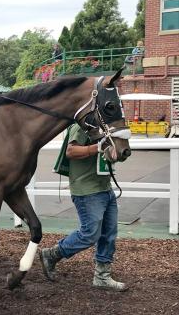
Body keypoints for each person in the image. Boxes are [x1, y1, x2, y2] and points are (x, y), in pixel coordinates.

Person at [39, 123, 127, 292]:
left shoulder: (104, 128)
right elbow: (71, 151)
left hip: (105, 188)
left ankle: (102, 277)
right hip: (87, 190)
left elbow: (108, 153)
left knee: (108, 234)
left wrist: (119, 153)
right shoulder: (81, 127)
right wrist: (98, 147)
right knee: (90, 233)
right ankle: (51, 254)